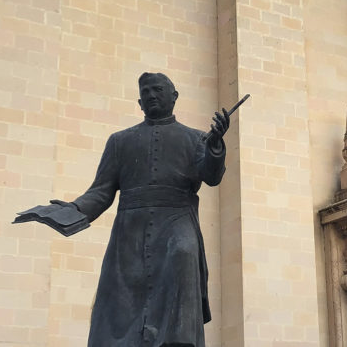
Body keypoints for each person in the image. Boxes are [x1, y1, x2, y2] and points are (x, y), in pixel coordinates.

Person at [55, 72, 230, 347]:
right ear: (139, 101)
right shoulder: (119, 142)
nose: (151, 95)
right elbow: (101, 192)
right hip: (130, 234)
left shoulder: (197, 139)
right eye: (145, 92)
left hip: (176, 222)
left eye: (157, 89)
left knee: (183, 254)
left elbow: (212, 176)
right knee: (121, 311)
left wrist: (216, 145)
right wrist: (73, 209)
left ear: (174, 97)